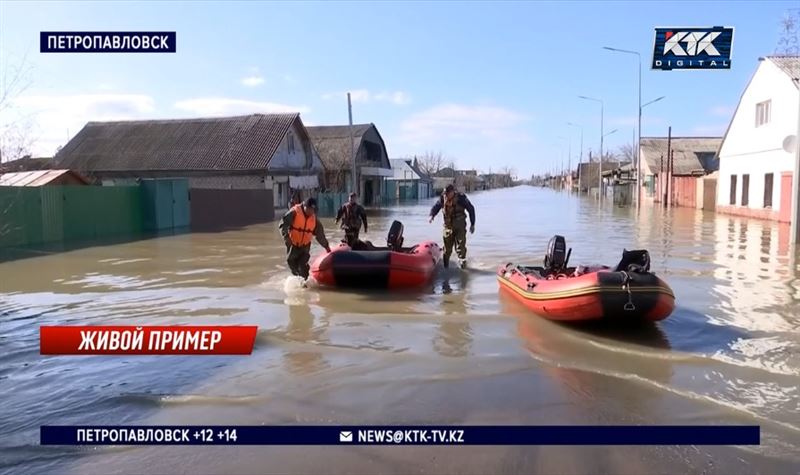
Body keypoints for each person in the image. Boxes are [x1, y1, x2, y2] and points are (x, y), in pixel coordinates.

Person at [279, 197, 331, 279]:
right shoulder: (294, 212)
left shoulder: (314, 220)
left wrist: (327, 247)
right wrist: (287, 238)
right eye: (309, 209)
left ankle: (305, 281)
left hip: (305, 246)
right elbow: (283, 225)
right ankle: (298, 278)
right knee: (291, 262)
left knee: (302, 264)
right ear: (305, 206)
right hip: (293, 244)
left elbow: (320, 235)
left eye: (313, 210)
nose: (311, 212)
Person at [429, 184, 475, 268]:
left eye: (448, 193)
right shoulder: (443, 198)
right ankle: (446, 266)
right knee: (447, 249)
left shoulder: (461, 198)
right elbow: (436, 207)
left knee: (461, 245)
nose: (446, 195)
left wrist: (472, 224)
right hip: (448, 226)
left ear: (453, 192)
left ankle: (463, 265)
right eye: (445, 193)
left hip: (459, 225)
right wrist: (432, 216)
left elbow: (471, 209)